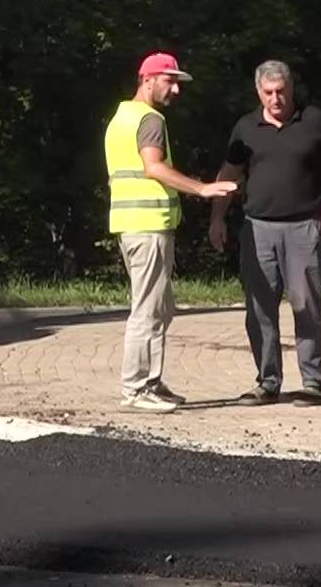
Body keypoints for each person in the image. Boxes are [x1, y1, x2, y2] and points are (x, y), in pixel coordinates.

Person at [208, 61, 321, 404]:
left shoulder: (315, 121)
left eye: (281, 91)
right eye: (269, 92)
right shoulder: (246, 127)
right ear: (258, 92)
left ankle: (312, 383)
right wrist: (217, 218)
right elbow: (229, 175)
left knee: (306, 303)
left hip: (304, 226)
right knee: (259, 307)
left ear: (291, 89)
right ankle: (267, 382)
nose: (276, 99)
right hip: (257, 228)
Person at [104, 51, 237, 413]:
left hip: (135, 225)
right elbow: (153, 168)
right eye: (170, 80)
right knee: (147, 309)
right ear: (147, 79)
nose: (176, 89)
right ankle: (136, 389)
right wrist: (202, 189)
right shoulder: (149, 119)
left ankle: (151, 381)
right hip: (147, 228)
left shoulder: (121, 117)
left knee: (161, 307)